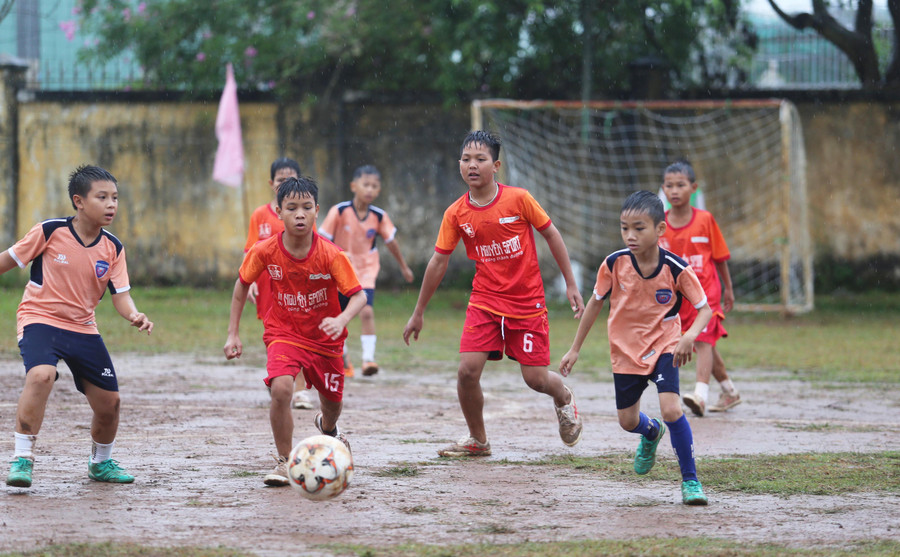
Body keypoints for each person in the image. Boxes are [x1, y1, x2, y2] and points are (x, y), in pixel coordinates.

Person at [403, 130, 585, 457]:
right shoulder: (456, 213)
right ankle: (478, 440)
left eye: (480, 159)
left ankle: (564, 397)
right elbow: (438, 262)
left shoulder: (519, 199)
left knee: (536, 380)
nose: (472, 165)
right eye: (466, 159)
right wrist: (419, 311)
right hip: (484, 302)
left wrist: (570, 283)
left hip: (527, 304)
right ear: (459, 164)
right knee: (467, 372)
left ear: (496, 165)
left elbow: (552, 235)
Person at [3, 165, 154, 488]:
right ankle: (22, 459)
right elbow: (8, 260)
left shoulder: (113, 247)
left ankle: (100, 463)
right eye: (102, 197)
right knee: (41, 375)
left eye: (115, 197)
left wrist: (134, 315)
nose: (111, 204)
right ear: (79, 201)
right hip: (40, 319)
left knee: (109, 404)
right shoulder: (50, 231)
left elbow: (121, 296)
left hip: (83, 328)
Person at [558, 190, 711, 505]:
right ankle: (651, 432)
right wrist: (575, 349)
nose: (630, 235)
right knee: (628, 421)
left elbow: (705, 309)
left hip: (665, 343)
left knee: (671, 408)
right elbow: (594, 304)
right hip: (625, 351)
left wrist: (689, 335)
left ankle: (691, 481)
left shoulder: (675, 268)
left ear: (659, 230)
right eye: (624, 227)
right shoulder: (614, 263)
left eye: (639, 228)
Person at [224, 176, 366, 487]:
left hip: (325, 340)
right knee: (281, 390)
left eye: (306, 208)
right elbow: (242, 284)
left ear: (317, 210)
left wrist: (341, 320)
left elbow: (359, 296)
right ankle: (284, 460)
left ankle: (328, 429)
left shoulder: (331, 255)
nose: (299, 214)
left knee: (332, 404)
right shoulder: (265, 251)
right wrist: (233, 333)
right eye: (291, 208)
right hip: (283, 332)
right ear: (278, 212)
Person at [659, 158, 741, 416]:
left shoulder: (705, 220)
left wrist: (728, 288)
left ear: (693, 188)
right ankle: (729, 392)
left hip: (707, 294)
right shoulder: (658, 224)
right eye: (669, 186)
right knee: (703, 344)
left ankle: (700, 396)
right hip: (678, 297)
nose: (674, 191)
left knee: (703, 340)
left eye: (680, 185)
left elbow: (720, 258)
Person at [319, 165, 414, 377]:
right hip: (340, 271)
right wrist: (339, 254)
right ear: (354, 186)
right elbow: (321, 239)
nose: (369, 189)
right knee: (337, 315)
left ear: (379, 190)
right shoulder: (339, 211)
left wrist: (404, 267)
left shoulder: (379, 216)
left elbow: (392, 243)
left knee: (367, 310)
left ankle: (368, 359)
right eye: (366, 184)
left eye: (374, 186)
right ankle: (342, 357)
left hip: (366, 271)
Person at [244, 157, 314, 409]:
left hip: (297, 286)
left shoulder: (302, 212)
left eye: (289, 178)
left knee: (302, 334)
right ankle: (278, 375)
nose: (284, 183)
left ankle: (301, 390)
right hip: (268, 285)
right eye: (280, 179)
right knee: (274, 336)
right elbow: (250, 252)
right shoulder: (260, 215)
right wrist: (249, 280)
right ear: (271, 183)